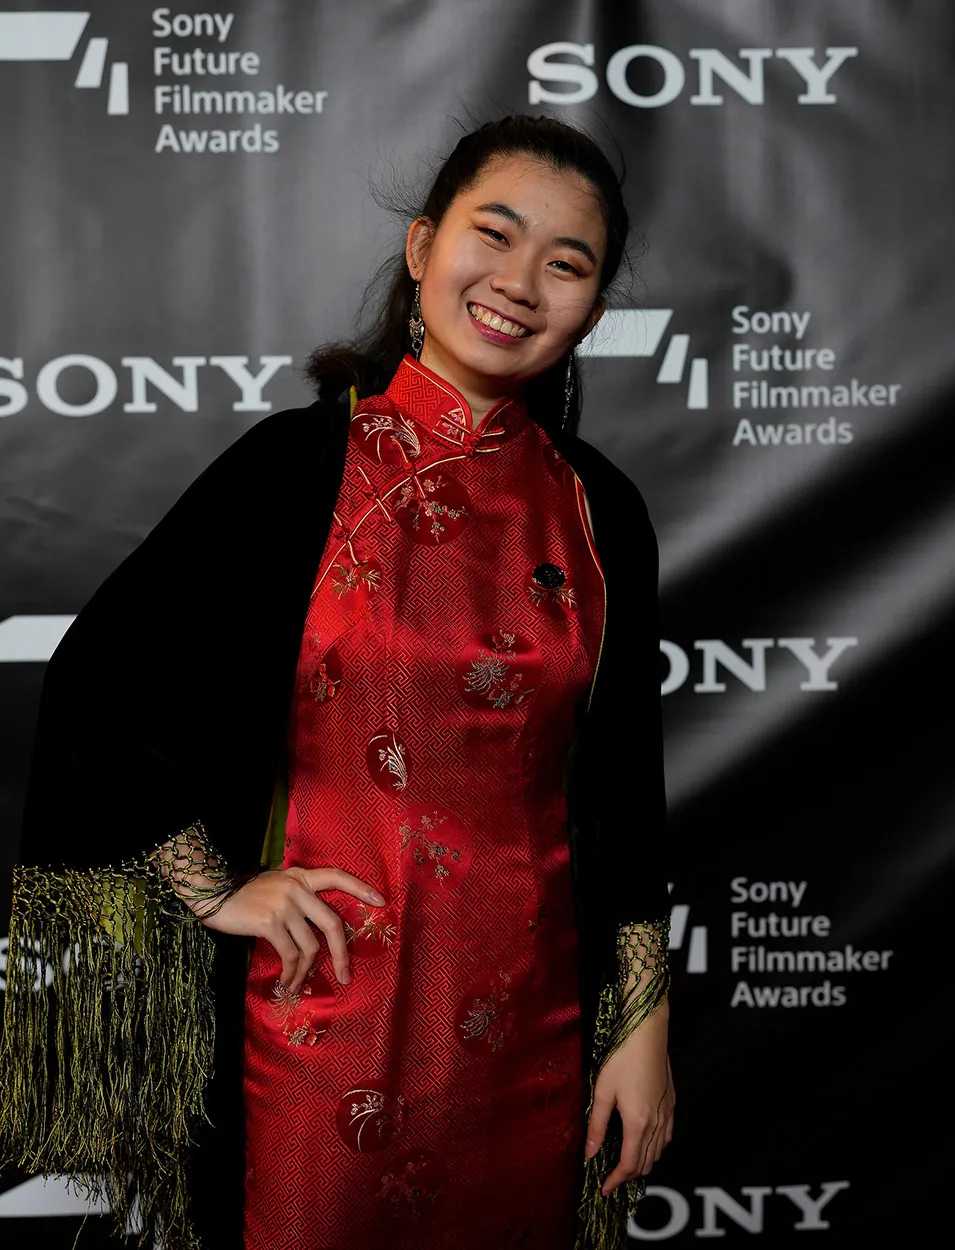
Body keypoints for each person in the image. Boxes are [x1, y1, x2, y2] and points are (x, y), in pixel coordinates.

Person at [0, 114, 674, 1250]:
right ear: (421, 249)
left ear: (593, 312)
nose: (517, 283)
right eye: (491, 236)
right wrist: (215, 888)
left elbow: (620, 780)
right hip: (318, 1013)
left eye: (566, 263)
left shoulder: (600, 510)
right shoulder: (295, 468)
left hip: (531, 1028)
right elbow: (102, 682)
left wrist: (644, 1024)